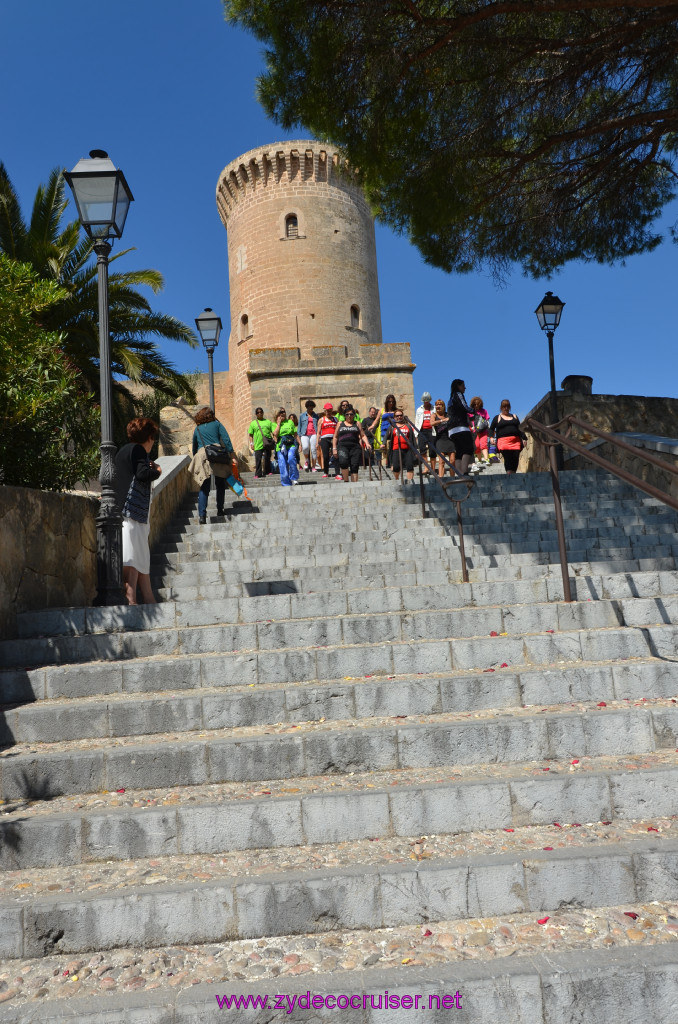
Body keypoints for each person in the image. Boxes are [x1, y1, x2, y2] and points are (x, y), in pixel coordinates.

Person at [114, 417, 162, 606]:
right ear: (149, 437)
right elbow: (142, 474)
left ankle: (149, 599)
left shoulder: (123, 451)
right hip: (132, 512)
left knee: (140, 557)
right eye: (153, 438)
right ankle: (131, 600)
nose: (153, 442)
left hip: (129, 512)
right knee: (133, 557)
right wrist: (157, 470)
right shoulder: (139, 450)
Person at [192, 406, 234, 523]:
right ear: (210, 415)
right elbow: (226, 439)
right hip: (217, 454)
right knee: (220, 484)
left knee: (204, 487)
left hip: (202, 455)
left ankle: (202, 516)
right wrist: (232, 453)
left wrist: (197, 456)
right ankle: (220, 510)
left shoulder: (197, 429)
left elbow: (194, 446)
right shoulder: (217, 424)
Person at [332, 407, 372, 482]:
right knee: (343, 462)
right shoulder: (340, 424)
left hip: (355, 447)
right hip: (342, 446)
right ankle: (346, 481)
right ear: (344, 415)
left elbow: (362, 435)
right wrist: (334, 448)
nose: (349, 416)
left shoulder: (357, 423)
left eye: (351, 414)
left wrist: (367, 443)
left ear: (354, 415)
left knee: (354, 465)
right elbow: (335, 437)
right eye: (347, 414)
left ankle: (354, 484)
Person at [446, 379, 475, 476]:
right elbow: (464, 406)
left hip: (452, 430)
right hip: (460, 427)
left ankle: (459, 473)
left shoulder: (450, 399)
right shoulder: (458, 394)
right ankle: (464, 471)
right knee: (468, 448)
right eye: (463, 385)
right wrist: (474, 411)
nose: (465, 388)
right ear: (458, 386)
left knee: (459, 451)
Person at [490, 399, 526, 474]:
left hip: (516, 442)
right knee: (508, 459)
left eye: (507, 406)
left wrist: (524, 438)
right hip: (504, 443)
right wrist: (491, 438)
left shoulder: (515, 416)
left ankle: (513, 474)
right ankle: (509, 474)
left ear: (509, 407)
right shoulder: (497, 417)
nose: (506, 408)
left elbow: (520, 428)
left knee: (515, 459)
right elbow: (491, 429)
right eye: (504, 406)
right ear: (501, 407)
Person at [384, 408, 416, 482]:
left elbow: (412, 438)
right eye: (397, 416)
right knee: (396, 467)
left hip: (407, 449)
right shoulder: (392, 427)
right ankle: (397, 481)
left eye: (400, 415)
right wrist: (383, 444)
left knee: (410, 466)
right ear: (394, 417)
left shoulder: (407, 426)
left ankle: (410, 482)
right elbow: (386, 436)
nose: (399, 417)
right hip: (396, 449)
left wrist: (415, 449)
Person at [273, 407, 300, 486]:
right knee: (283, 464)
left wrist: (300, 444)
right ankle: (286, 483)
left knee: (291, 458)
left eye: (283, 412)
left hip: (290, 444)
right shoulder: (273, 424)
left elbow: (295, 434)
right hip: (280, 446)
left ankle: (294, 478)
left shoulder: (290, 422)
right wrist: (278, 424)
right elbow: (275, 434)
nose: (283, 413)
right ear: (277, 415)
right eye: (280, 412)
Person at [248, 407, 275, 477]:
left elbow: (273, 432)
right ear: (256, 414)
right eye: (258, 412)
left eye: (261, 412)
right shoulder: (253, 423)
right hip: (257, 444)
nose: (259, 413)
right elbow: (250, 435)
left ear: (263, 413)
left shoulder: (268, 422)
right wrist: (251, 443)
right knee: (258, 459)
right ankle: (258, 474)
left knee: (267, 457)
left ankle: (267, 471)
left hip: (267, 443)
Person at [431, 398, 454, 477]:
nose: (438, 406)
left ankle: (452, 478)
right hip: (440, 439)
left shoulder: (448, 415)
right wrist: (442, 421)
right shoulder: (434, 415)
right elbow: (432, 423)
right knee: (441, 461)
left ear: (443, 406)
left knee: (452, 461)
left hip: (450, 439)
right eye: (436, 405)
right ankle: (441, 478)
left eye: (440, 405)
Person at [317, 402, 340, 478]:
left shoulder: (335, 419)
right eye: (327, 411)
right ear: (325, 411)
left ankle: (337, 473)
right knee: (326, 456)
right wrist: (317, 442)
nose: (329, 412)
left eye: (330, 410)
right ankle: (325, 472)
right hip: (324, 438)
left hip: (334, 438)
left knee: (336, 455)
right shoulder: (321, 419)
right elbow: (318, 432)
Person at [414, 391, 436, 473]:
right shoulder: (419, 409)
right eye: (424, 401)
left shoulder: (434, 409)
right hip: (422, 431)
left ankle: (433, 468)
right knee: (422, 449)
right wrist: (416, 434)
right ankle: (426, 467)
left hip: (431, 430)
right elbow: (417, 421)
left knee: (432, 450)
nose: (426, 402)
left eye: (427, 401)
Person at [469, 395, 491, 471]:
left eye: (478, 404)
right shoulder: (470, 412)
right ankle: (479, 459)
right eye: (475, 404)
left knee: (484, 444)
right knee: (477, 446)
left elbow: (487, 421)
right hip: (474, 432)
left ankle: (486, 459)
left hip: (483, 431)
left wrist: (489, 430)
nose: (476, 406)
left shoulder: (484, 411)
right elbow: (468, 421)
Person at [298, 399, 319, 471]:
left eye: (312, 407)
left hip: (313, 434)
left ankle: (313, 466)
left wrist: (319, 436)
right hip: (304, 434)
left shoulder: (316, 416)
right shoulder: (302, 416)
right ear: (306, 407)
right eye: (309, 407)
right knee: (305, 447)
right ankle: (307, 460)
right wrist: (299, 436)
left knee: (313, 450)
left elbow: (318, 426)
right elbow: (299, 426)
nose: (310, 409)